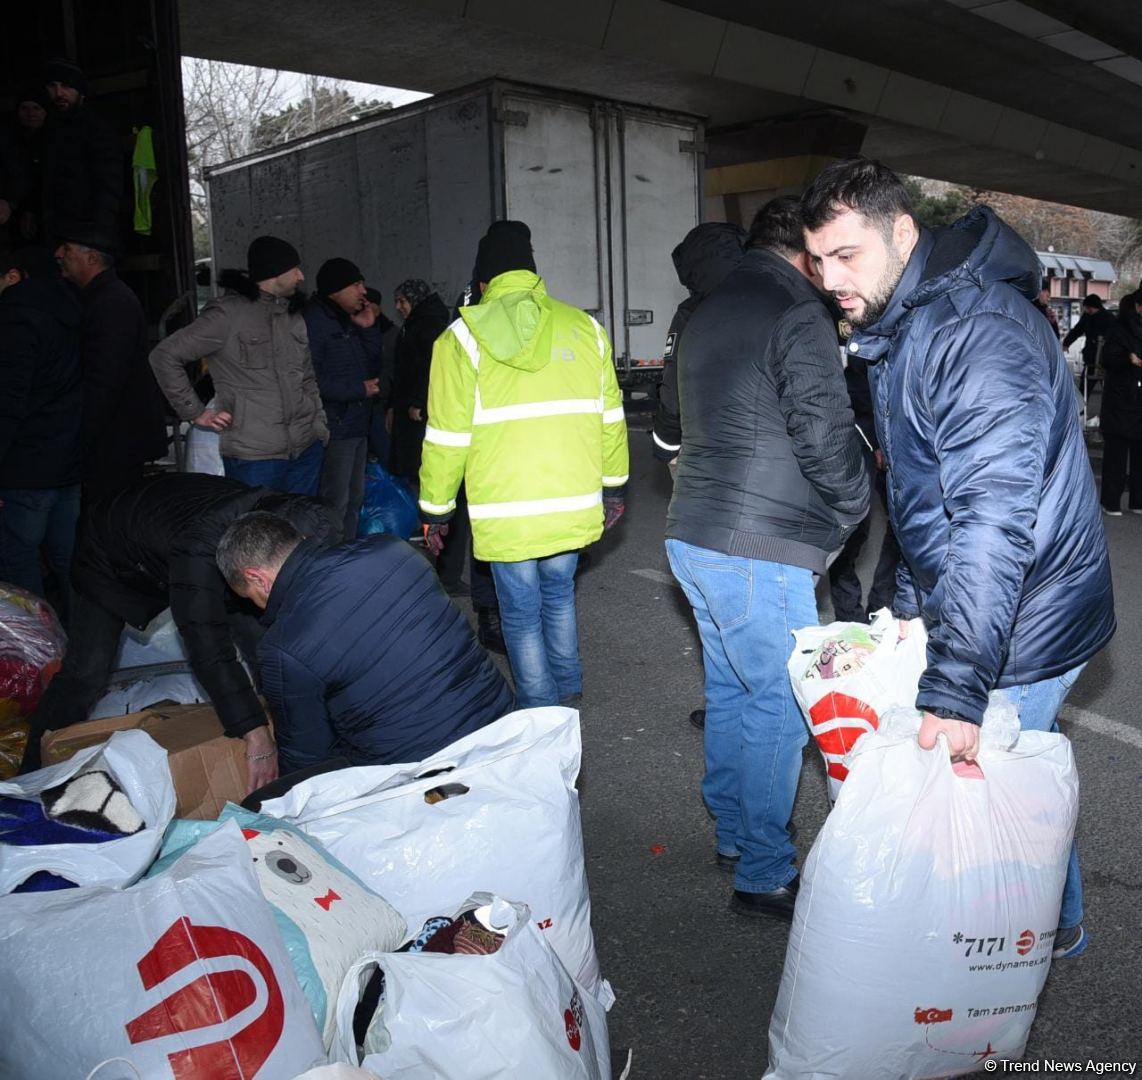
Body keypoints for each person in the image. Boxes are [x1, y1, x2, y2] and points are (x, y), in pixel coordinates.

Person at [802, 157, 1116, 958]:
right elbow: (925, 500)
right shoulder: (910, 323)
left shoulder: (974, 332)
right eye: (818, 260)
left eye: (847, 255)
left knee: (997, 798)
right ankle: (1048, 926)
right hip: (993, 606)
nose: (830, 279)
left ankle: (1021, 944)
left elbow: (990, 521)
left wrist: (955, 686)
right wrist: (912, 611)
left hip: (1027, 614)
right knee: (1017, 783)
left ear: (903, 233)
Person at [665, 197, 868, 921]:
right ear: (806, 253)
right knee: (778, 705)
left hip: (694, 531)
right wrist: (856, 503)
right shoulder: (796, 311)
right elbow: (823, 430)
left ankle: (732, 831)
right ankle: (763, 869)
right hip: (759, 543)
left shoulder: (709, 309)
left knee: (733, 692)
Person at [418, 220, 629, 707]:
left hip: (506, 511)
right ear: (531, 272)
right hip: (571, 501)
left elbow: (446, 438)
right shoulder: (585, 329)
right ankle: (568, 684)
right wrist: (613, 487)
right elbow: (611, 420)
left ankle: (538, 704)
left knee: (519, 611)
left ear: (484, 282)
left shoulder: (459, 340)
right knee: (559, 594)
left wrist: (435, 510)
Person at [20, 473, 333, 787]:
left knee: (262, 642)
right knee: (86, 672)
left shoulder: (295, 524)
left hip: (170, 525)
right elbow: (209, 647)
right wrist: (255, 734)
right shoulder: (198, 555)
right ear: (254, 576)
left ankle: (289, 740)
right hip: (107, 552)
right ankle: (29, 774)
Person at [215, 512, 514, 775]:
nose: (259, 608)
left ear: (258, 578)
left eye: (251, 598)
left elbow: (309, 759)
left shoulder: (283, 647)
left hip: (423, 773)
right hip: (502, 723)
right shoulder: (392, 548)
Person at [652, 220, 748, 731]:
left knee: (717, 597)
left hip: (707, 463)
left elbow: (671, 391)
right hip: (771, 471)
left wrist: (664, 445)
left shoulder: (693, 312)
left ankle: (730, 710)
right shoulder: (776, 298)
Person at [149, 235, 328, 495]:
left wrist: (319, 427)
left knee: (303, 520)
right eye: (295, 269)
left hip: (306, 449)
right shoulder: (227, 315)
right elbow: (164, 356)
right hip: (255, 457)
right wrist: (195, 412)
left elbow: (308, 378)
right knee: (257, 521)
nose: (301, 277)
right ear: (275, 272)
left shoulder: (292, 316)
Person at [55, 228, 168, 502]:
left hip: (116, 439)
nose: (58, 254)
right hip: (114, 437)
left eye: (67, 249)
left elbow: (105, 378)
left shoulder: (111, 302)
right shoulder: (99, 297)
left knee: (110, 512)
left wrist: (80, 434)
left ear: (92, 258)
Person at [0, 246, 83, 619]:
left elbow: (9, 401)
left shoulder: (15, 319)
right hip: (67, 457)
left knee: (18, 558)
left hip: (27, 463)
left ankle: (37, 644)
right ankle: (87, 641)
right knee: (69, 557)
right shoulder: (71, 310)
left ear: (13, 276)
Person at [652, 221, 748, 472]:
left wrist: (665, 444)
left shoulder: (690, 314)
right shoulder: (771, 301)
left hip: (710, 450)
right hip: (772, 450)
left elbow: (674, 385)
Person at [304, 258, 384, 542]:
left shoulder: (348, 320)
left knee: (354, 499)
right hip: (334, 427)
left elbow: (373, 363)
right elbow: (311, 379)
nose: (363, 291)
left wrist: (368, 328)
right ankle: (331, 559)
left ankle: (346, 555)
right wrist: (357, 390)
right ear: (336, 289)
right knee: (334, 501)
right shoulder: (314, 321)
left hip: (356, 423)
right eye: (356, 284)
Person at [40, 59, 123, 240]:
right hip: (55, 230)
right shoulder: (48, 129)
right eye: (53, 86)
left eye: (66, 86)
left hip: (87, 232)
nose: (58, 93)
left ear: (80, 91)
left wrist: (99, 232)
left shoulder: (96, 129)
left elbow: (109, 183)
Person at [388, 278, 451, 480]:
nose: (398, 307)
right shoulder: (414, 325)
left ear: (415, 300)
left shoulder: (429, 326)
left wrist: (420, 402)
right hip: (408, 408)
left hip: (418, 412)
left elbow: (432, 368)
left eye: (402, 301)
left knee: (419, 466)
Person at [1097, 291, 1142, 516]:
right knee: (1125, 454)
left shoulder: (1118, 329)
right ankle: (1127, 501)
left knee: (1121, 454)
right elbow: (1108, 359)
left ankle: (1119, 501)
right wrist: (1129, 359)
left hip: (1124, 398)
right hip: (1126, 398)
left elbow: (1107, 358)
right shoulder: (1121, 330)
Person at [1063, 293, 1115, 378]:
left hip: (1104, 358)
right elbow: (1077, 330)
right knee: (1086, 382)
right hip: (1090, 358)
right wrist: (1067, 342)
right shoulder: (1087, 316)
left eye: (1088, 308)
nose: (1087, 310)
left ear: (1094, 306)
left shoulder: (1109, 318)